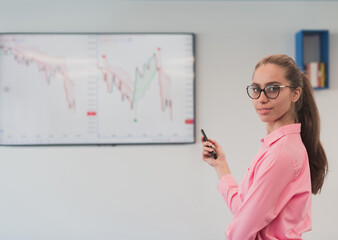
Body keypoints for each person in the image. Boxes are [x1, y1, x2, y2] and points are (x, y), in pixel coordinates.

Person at [202, 54, 328, 239]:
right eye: (256, 89)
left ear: (295, 93)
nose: (261, 98)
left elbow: (241, 230)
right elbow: (244, 212)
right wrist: (221, 165)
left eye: (272, 88)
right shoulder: (275, 148)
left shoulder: (282, 154)